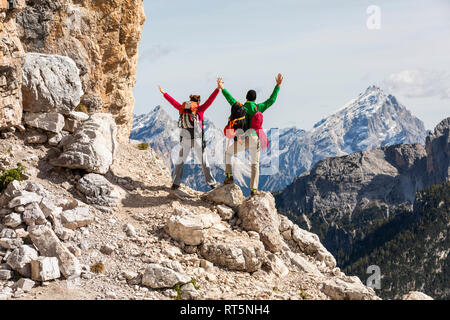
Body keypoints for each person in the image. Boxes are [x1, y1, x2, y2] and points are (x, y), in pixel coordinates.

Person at [218, 74, 283, 196]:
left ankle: (229, 176)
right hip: (255, 138)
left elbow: (230, 98)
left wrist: (222, 88)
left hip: (242, 139)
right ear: (254, 99)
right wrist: (278, 85)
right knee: (255, 164)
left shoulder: (240, 108)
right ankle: (253, 190)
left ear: (246, 98)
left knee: (228, 153)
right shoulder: (258, 107)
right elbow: (271, 100)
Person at [158, 81, 221, 191]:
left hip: (186, 138)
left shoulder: (182, 109)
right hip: (197, 139)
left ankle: (175, 183)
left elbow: (173, 102)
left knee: (180, 161)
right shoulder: (200, 110)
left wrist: (164, 93)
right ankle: (211, 183)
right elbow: (210, 101)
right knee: (204, 162)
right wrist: (218, 88)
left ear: (190, 101)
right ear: (198, 102)